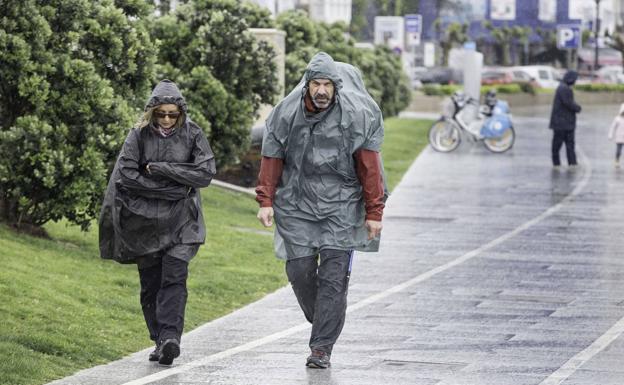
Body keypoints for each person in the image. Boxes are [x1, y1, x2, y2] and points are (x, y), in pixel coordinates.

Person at [255, 52, 386, 369]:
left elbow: (370, 168)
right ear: (307, 85)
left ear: (336, 86)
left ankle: (321, 347)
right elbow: (272, 158)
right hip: (298, 202)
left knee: (333, 277)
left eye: (328, 84)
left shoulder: (358, 116)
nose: (322, 90)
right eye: (317, 83)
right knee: (299, 271)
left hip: (342, 204)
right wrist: (266, 201)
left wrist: (374, 213)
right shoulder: (287, 114)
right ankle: (327, 318)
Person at [99, 79, 216, 366]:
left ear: (181, 113)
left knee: (175, 277)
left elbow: (204, 173)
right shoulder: (137, 136)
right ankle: (159, 339)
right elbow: (126, 174)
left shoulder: (193, 134)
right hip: (144, 224)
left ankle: (171, 337)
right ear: (152, 112)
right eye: (161, 114)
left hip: (182, 223)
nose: (166, 119)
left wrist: (162, 169)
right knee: (151, 284)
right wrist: (172, 188)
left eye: (172, 114)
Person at [549, 70, 582, 168]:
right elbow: (568, 103)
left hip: (565, 123)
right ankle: (559, 163)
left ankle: (571, 163)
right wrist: (578, 108)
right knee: (560, 144)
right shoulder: (564, 89)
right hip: (562, 123)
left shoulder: (563, 87)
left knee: (568, 144)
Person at [608, 103, 624, 168]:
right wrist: (610, 135)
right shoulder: (617, 119)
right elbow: (612, 127)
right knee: (618, 151)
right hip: (619, 138)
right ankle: (617, 160)